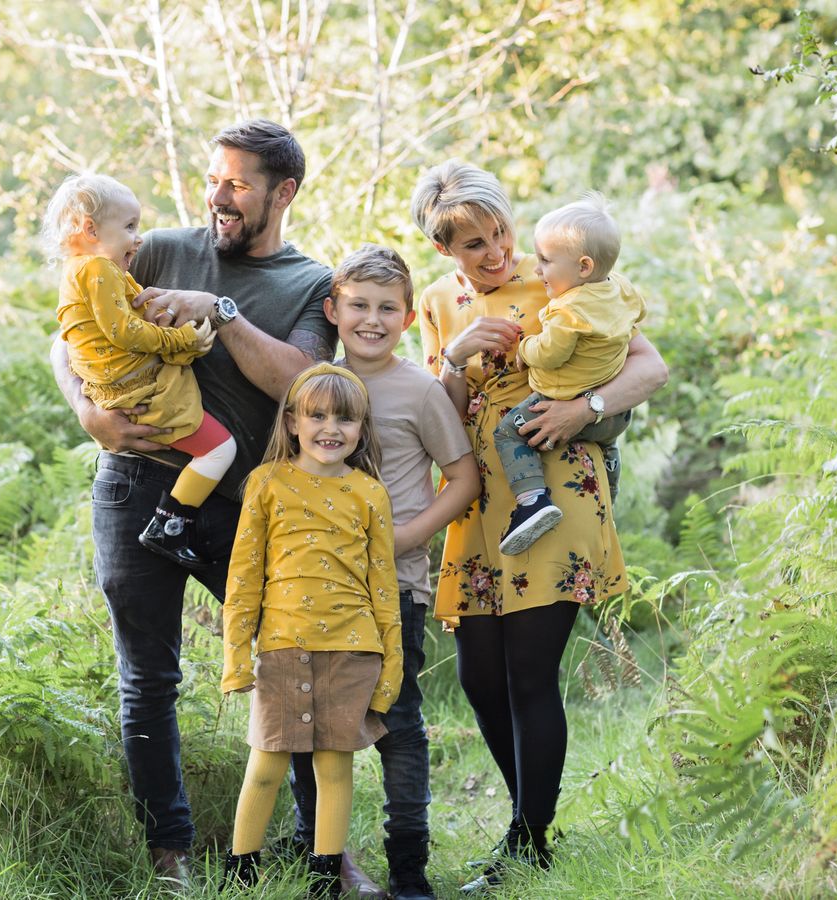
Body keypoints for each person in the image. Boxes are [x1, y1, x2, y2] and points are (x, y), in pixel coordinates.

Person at [51, 120, 394, 890]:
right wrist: (87, 410)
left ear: (284, 192)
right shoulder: (157, 249)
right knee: (148, 679)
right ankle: (169, 854)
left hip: (244, 501)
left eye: (238, 183)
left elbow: (302, 381)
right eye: (214, 180)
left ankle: (326, 854)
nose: (219, 197)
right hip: (136, 486)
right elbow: (68, 331)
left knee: (298, 666)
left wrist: (221, 310)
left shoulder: (310, 283)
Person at [409, 160, 667, 892]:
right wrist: (456, 357)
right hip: (475, 497)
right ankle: (528, 830)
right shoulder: (437, 302)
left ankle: (526, 841)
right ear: (443, 249)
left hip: (556, 485)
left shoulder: (561, 273)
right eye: (474, 244)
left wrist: (583, 409)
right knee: (479, 676)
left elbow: (649, 368)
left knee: (527, 671)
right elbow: (440, 418)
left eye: (500, 232)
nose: (496, 251)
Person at [282, 245, 479, 899]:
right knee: (311, 726)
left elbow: (462, 477)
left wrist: (410, 537)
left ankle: (409, 870)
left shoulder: (420, 390)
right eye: (359, 306)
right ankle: (322, 865)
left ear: (408, 317)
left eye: (387, 308)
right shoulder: (314, 388)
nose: (372, 319)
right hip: (317, 589)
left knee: (397, 723)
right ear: (333, 311)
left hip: (394, 588)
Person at [221, 363, 402, 898]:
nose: (331, 428)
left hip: (353, 650)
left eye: (345, 419)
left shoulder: (370, 493)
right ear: (293, 422)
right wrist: (236, 659)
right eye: (317, 415)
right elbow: (244, 576)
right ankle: (240, 875)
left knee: (334, 769)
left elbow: (384, 587)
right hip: (282, 647)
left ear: (362, 428)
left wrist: (390, 673)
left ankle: (325, 882)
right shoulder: (267, 482)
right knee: (265, 766)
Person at [43, 172, 235, 568]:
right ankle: (170, 524)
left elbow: (125, 317)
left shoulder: (84, 270)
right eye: (130, 227)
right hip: (139, 390)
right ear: (91, 230)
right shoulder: (97, 269)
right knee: (220, 450)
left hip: (123, 387)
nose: (139, 238)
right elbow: (125, 332)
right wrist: (179, 340)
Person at [492, 192, 646, 555]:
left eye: (546, 261)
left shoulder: (568, 312)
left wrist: (524, 348)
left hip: (561, 402)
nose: (537, 270)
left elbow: (550, 353)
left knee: (509, 433)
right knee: (607, 443)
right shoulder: (620, 289)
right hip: (614, 413)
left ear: (584, 267)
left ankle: (532, 501)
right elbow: (637, 315)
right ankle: (610, 485)